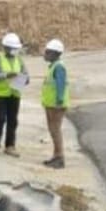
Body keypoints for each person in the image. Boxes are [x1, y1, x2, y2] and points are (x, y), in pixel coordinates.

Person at [0, 32, 28, 156]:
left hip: (15, 93)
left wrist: (25, 79)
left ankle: (10, 145)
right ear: (5, 47)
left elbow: (26, 74)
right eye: (12, 48)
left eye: (16, 48)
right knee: (0, 119)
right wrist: (7, 75)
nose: (14, 51)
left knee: (13, 120)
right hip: (1, 94)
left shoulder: (19, 59)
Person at [40, 38, 69, 168]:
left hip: (56, 105)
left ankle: (59, 157)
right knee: (53, 130)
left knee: (55, 130)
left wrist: (59, 100)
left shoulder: (59, 67)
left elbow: (60, 85)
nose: (45, 54)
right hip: (51, 104)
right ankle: (56, 155)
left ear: (55, 53)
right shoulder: (54, 67)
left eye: (47, 52)